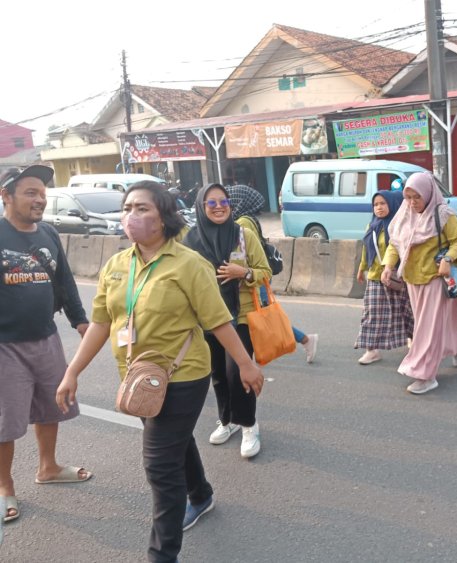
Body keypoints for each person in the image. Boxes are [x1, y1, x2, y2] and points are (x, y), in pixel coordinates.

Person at [55, 181, 265, 563]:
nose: (130, 216)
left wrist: (247, 364)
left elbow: (219, 321)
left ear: (164, 216)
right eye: (127, 208)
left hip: (183, 374)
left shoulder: (189, 264)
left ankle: (162, 555)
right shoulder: (117, 265)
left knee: (159, 464)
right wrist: (73, 372)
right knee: (172, 438)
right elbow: (101, 323)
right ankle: (200, 495)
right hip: (138, 376)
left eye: (142, 209)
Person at [0, 165, 92, 525]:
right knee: (5, 421)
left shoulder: (49, 234)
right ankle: (5, 487)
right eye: (30, 192)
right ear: (6, 196)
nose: (40, 199)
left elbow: (66, 283)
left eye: (42, 193)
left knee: (53, 406)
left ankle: (48, 467)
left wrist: (82, 323)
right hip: (4, 345)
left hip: (46, 338)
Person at [183, 184, 271, 458]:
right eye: (212, 203)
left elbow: (265, 272)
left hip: (239, 315)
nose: (219, 207)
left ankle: (248, 424)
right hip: (206, 317)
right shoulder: (190, 241)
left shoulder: (242, 235)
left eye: (224, 202)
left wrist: (242, 273)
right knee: (218, 374)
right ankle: (228, 420)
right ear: (201, 207)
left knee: (237, 372)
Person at [381, 172, 457, 395]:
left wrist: (449, 259)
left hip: (434, 278)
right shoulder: (405, 215)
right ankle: (455, 346)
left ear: (428, 194)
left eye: (416, 197)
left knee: (426, 328)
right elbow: (395, 244)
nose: (412, 203)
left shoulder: (442, 215)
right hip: (412, 279)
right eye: (408, 197)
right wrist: (388, 266)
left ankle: (426, 376)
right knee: (435, 321)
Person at [226, 184, 318, 362]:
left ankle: (305, 339)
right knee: (266, 319)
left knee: (266, 320)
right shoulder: (249, 218)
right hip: (255, 277)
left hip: (253, 279)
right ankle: (305, 340)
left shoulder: (242, 223)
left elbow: (248, 254)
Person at [355, 190, 414, 364]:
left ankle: (415, 341)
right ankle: (372, 350)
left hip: (398, 276)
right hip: (375, 276)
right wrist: (361, 268)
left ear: (391, 204)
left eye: (383, 203)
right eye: (375, 204)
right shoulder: (371, 226)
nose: (379, 208)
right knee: (372, 313)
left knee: (407, 312)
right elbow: (367, 249)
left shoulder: (399, 225)